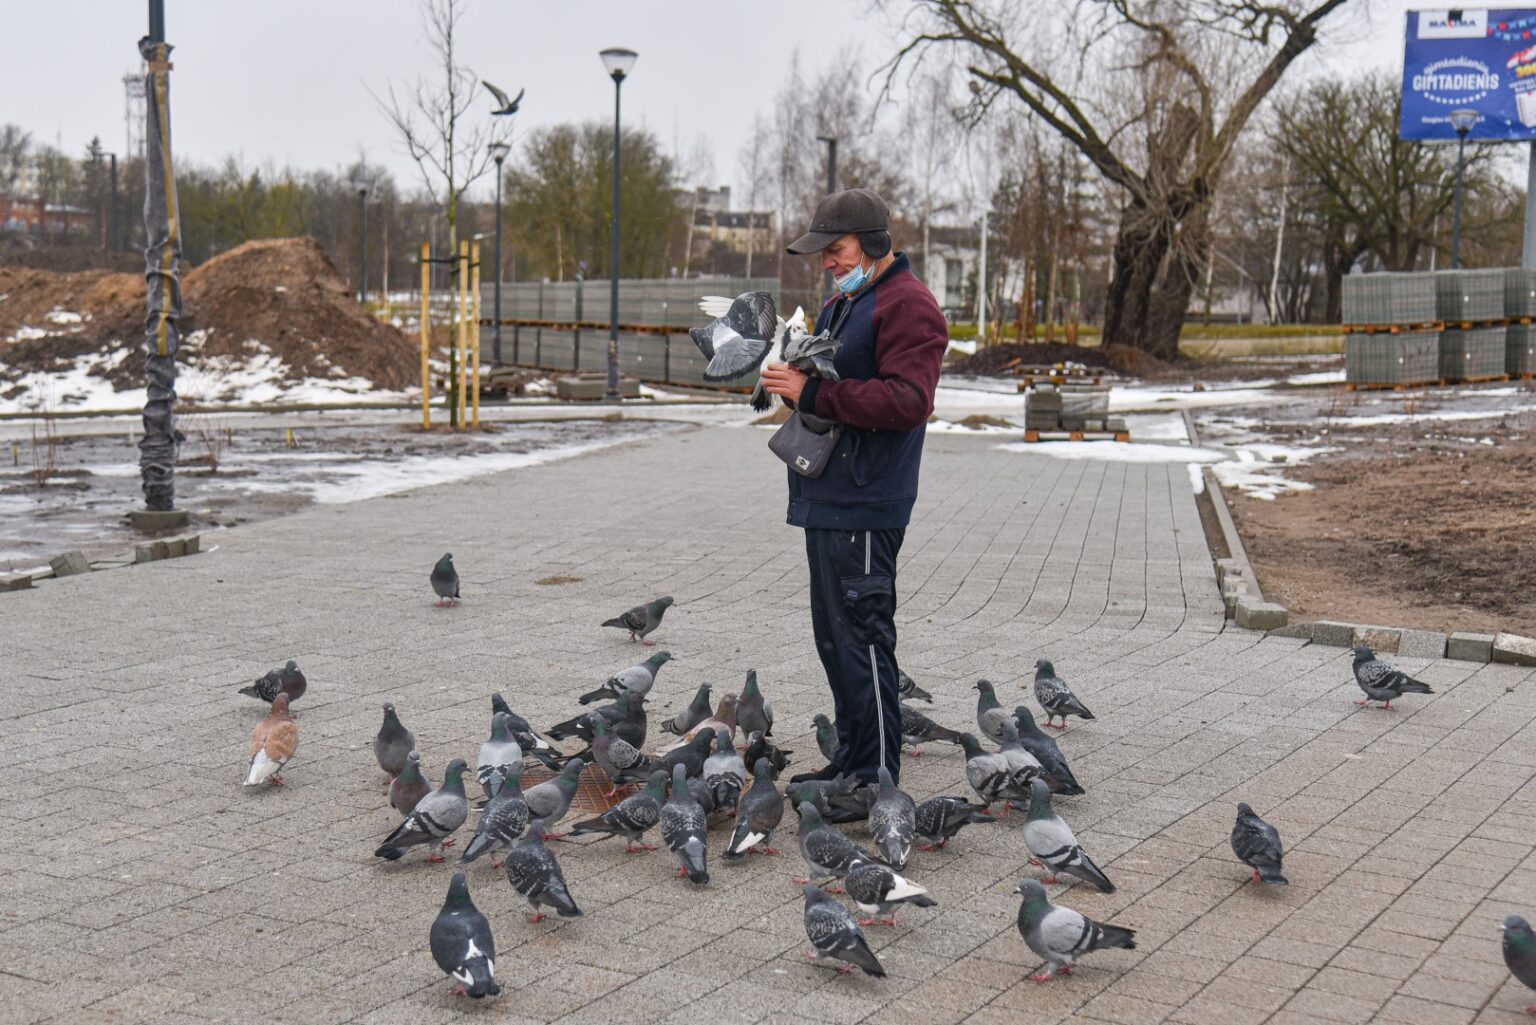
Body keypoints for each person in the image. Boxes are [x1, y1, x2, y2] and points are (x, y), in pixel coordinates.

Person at [762, 187, 948, 786]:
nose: (827, 263)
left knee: (864, 639)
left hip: (867, 500)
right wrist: (789, 377)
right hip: (831, 495)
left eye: (834, 250)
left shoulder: (908, 305)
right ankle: (852, 760)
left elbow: (909, 401)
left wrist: (810, 393)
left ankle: (873, 779)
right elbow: (839, 378)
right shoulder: (850, 300)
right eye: (822, 253)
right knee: (836, 639)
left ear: (871, 246)